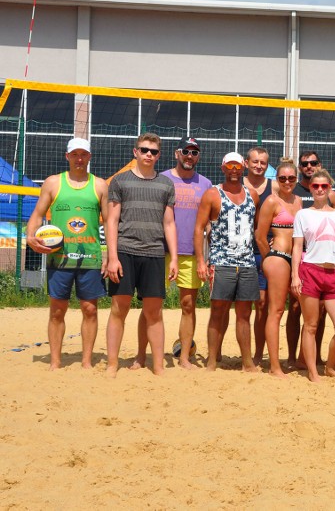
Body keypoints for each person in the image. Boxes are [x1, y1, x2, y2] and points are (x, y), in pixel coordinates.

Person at [26, 137, 108, 370]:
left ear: (89, 157)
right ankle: (55, 362)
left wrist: (110, 254)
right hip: (59, 257)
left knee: (89, 309)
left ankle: (86, 361)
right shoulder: (53, 183)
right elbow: (37, 214)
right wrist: (31, 237)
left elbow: (110, 221)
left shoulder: (100, 185)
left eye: (83, 154)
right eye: (75, 154)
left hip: (90, 257)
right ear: (67, 156)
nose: (79, 158)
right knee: (57, 310)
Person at [105, 133, 178, 377]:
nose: (149, 154)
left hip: (154, 253)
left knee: (154, 313)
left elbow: (169, 223)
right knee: (119, 309)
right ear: (135, 152)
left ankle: (157, 367)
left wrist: (174, 258)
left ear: (159, 155)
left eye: (154, 151)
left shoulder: (166, 184)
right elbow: (112, 220)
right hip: (125, 251)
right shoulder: (120, 181)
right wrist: (112, 257)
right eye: (144, 150)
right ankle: (112, 364)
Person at [291, 168, 335, 382]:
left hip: (334, 273)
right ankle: (312, 371)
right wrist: (295, 275)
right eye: (315, 186)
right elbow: (297, 247)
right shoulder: (303, 214)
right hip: (310, 270)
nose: (319, 189)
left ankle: (330, 366)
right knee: (310, 325)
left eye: (324, 186)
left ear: (330, 188)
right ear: (310, 188)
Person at [195, 152, 260, 373]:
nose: (234, 170)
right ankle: (212, 361)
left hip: (247, 262)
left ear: (244, 168)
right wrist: (201, 262)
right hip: (221, 261)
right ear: (223, 168)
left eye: (238, 166)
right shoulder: (213, 195)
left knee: (244, 314)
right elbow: (199, 229)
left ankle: (247, 362)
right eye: (230, 166)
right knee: (218, 311)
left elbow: (256, 228)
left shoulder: (253, 195)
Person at [160, 136, 212, 369]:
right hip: (160, 249)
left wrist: (209, 257)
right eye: (186, 151)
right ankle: (145, 355)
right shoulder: (162, 179)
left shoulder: (206, 184)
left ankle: (183, 358)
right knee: (151, 304)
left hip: (191, 252)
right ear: (176, 153)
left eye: (194, 152)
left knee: (188, 304)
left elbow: (210, 222)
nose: (190, 156)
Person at [254, 159, 302, 378]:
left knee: (295, 309)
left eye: (291, 178)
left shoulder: (300, 201)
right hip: (279, 257)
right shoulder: (272, 202)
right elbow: (260, 236)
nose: (287, 182)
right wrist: (270, 258)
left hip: (296, 259)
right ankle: (274, 366)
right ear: (277, 180)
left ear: (296, 179)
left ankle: (292, 358)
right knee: (276, 311)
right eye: (282, 178)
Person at [289, 150, 335, 365]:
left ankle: (313, 355)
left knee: (321, 311)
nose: (309, 166)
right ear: (300, 168)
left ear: (319, 165)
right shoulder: (293, 190)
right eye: (305, 164)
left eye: (313, 163)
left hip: (322, 258)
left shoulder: (331, 195)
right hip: (301, 256)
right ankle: (293, 356)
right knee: (295, 308)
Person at [243, 146, 275, 366]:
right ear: (246, 163)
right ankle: (222, 355)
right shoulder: (235, 185)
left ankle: (258, 354)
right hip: (240, 252)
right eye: (255, 161)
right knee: (236, 305)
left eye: (263, 162)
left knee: (263, 305)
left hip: (264, 252)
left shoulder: (274, 189)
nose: (258, 165)